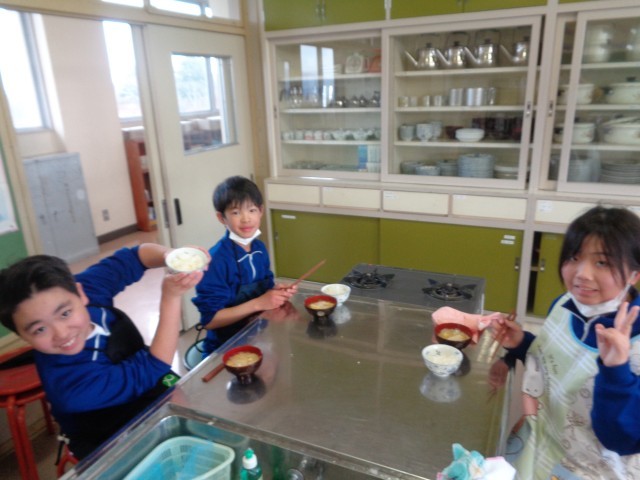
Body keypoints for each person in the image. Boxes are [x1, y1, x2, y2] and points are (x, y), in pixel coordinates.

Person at [0, 243, 207, 459]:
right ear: (22, 335)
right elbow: (154, 366)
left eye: (65, 314)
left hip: (145, 384)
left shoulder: (85, 290)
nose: (61, 333)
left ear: (80, 293)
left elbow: (135, 257)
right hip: (107, 434)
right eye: (40, 329)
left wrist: (172, 257)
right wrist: (171, 297)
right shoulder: (69, 384)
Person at [491, 205, 640, 479]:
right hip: (540, 441)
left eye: (602, 262)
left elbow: (624, 439)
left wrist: (616, 369)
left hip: (593, 470)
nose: (582, 274)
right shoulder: (564, 305)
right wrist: (521, 342)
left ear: (635, 273)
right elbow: (553, 362)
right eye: (574, 257)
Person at [192, 175, 296, 357]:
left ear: (261, 211)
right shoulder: (215, 260)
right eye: (236, 212)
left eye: (252, 210)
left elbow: (265, 288)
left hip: (258, 336)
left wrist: (275, 292)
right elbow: (210, 320)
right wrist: (259, 303)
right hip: (225, 348)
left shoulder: (259, 248)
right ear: (221, 217)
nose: (246, 219)